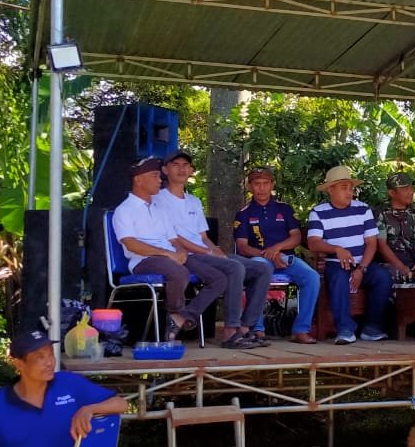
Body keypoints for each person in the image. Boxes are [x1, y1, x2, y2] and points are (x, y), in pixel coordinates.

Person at [155, 150, 273, 350]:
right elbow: (174, 237)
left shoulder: (193, 201)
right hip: (184, 255)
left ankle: (244, 329)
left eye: (186, 165)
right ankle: (230, 331)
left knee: (262, 269)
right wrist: (206, 252)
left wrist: (215, 250)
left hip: (203, 252)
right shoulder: (159, 199)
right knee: (235, 268)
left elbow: (202, 237)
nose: (182, 168)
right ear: (165, 170)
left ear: (191, 170)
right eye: (176, 164)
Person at [112, 156, 227, 342]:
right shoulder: (124, 210)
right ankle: (175, 312)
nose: (160, 180)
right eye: (155, 176)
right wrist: (167, 254)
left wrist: (180, 251)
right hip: (144, 261)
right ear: (139, 180)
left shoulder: (159, 209)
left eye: (159, 176)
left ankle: (181, 318)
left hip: (171, 257)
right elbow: (131, 244)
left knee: (219, 277)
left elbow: (173, 238)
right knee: (179, 272)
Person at [234, 166, 322, 344]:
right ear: (249, 187)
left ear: (272, 185)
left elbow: (296, 237)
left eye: (265, 183)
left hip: (286, 258)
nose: (261, 188)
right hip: (259, 259)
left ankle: (300, 330)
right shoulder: (243, 214)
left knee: (312, 277)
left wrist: (277, 249)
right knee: (260, 269)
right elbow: (243, 247)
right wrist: (269, 255)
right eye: (257, 184)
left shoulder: (285, 209)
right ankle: (257, 328)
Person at [306, 165, 393, 345]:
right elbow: (313, 242)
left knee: (383, 276)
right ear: (330, 189)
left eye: (351, 188)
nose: (349, 192)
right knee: (338, 277)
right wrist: (337, 249)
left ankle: (372, 328)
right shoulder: (318, 212)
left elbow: (371, 243)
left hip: (363, 262)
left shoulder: (363, 209)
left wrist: (362, 268)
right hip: (336, 263)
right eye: (344, 188)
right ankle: (345, 330)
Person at [375, 171, 415, 280]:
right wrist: (401, 267)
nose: (411, 192)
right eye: (405, 189)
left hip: (414, 264)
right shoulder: (381, 213)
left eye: (411, 188)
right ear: (392, 193)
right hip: (391, 265)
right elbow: (381, 245)